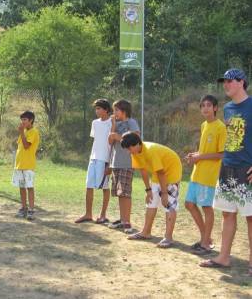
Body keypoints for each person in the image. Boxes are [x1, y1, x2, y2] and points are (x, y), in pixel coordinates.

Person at [200, 69, 252, 276]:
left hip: (246, 170)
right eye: (224, 82)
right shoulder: (229, 108)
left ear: (242, 82)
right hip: (228, 167)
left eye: (230, 81)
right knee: (227, 213)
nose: (226, 85)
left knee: (250, 217)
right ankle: (224, 257)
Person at [121, 132, 182, 248]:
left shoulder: (150, 151)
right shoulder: (135, 152)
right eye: (127, 149)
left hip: (171, 172)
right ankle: (146, 232)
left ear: (138, 144)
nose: (129, 151)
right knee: (151, 202)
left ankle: (168, 238)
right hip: (158, 173)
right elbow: (143, 170)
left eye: (129, 148)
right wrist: (148, 190)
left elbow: (161, 173)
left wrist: (164, 193)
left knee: (168, 204)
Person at [185, 95, 227, 254]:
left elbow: (222, 154)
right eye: (202, 106)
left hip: (208, 175)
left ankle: (206, 244)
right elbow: (204, 151)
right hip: (197, 173)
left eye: (209, 105)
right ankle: (206, 238)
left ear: (215, 108)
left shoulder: (220, 127)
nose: (205, 108)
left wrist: (200, 157)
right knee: (189, 204)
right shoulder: (204, 125)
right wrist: (194, 155)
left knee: (207, 207)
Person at [75, 99, 113, 224]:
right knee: (89, 186)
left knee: (105, 187)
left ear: (106, 109)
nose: (96, 111)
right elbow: (96, 140)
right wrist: (93, 156)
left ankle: (103, 215)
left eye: (99, 108)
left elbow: (112, 143)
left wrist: (110, 163)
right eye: (96, 108)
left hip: (105, 159)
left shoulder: (112, 122)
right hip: (94, 158)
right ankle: (88, 214)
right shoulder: (95, 123)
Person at [108, 100, 140, 233]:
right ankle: (122, 220)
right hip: (116, 162)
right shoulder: (116, 123)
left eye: (116, 110)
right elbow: (110, 141)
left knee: (126, 193)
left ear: (124, 111)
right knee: (120, 193)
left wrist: (119, 136)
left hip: (127, 162)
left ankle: (127, 222)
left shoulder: (131, 122)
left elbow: (137, 139)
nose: (114, 113)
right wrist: (114, 126)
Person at [12, 111, 40, 221]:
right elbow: (20, 146)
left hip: (28, 165)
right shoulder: (23, 131)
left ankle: (31, 210)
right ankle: (23, 208)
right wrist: (22, 132)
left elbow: (26, 145)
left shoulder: (34, 132)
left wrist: (21, 132)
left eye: (25, 120)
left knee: (30, 187)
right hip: (19, 165)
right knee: (22, 187)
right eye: (22, 120)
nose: (22, 122)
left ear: (31, 120)